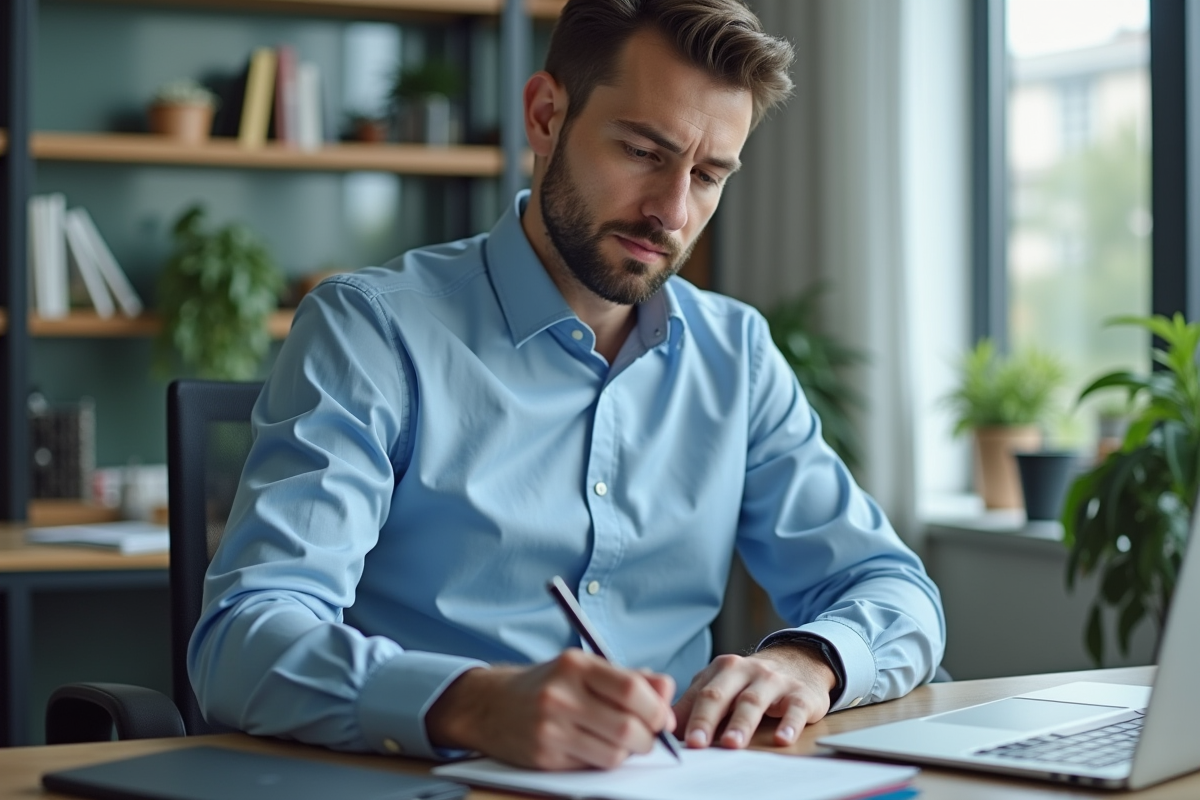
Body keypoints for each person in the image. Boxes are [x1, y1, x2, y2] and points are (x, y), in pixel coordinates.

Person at [189, 0, 946, 772]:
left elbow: (889, 587)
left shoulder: (736, 354)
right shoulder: (371, 331)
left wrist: (809, 659)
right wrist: (473, 703)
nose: (673, 212)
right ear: (546, 116)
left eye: (710, 175)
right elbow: (243, 641)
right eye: (644, 152)